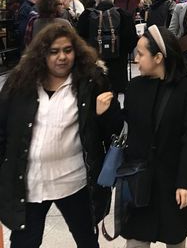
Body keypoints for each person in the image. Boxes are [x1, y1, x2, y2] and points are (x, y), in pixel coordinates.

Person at [0, 23, 121, 247]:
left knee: (86, 240)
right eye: (54, 51)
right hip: (30, 182)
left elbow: (115, 133)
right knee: (24, 242)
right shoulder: (20, 84)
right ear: (41, 54)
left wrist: (102, 115)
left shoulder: (91, 81)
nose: (62, 57)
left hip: (74, 181)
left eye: (67, 50)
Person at [98, 25, 187, 247]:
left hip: (171, 181)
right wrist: (105, 113)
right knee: (136, 241)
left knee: (174, 238)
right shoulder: (135, 86)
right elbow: (123, 129)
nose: (136, 59)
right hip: (138, 180)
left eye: (140, 54)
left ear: (158, 57)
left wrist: (186, 182)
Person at [77, 0, 138, 94]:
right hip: (118, 67)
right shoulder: (124, 15)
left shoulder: (86, 15)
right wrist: (123, 52)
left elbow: (79, 38)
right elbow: (132, 39)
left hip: (95, 64)